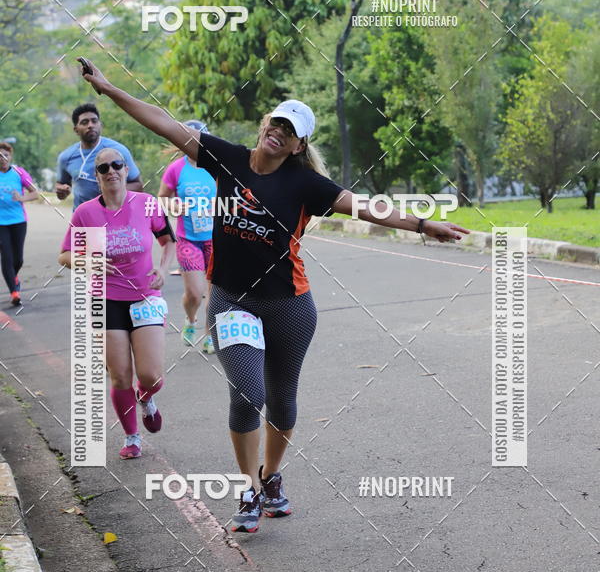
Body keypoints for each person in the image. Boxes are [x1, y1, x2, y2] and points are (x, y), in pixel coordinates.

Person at [78, 59, 468, 529]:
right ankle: (248, 489)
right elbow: (163, 121)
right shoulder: (227, 158)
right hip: (232, 299)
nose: (279, 132)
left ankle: (271, 475)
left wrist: (424, 224)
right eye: (276, 122)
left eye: (291, 130)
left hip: (290, 305)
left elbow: (366, 207)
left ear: (300, 144)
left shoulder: (305, 184)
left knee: (283, 400)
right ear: (265, 125)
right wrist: (109, 89)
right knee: (249, 392)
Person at [58, 147, 176, 459]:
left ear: (126, 170)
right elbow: (65, 255)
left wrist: (162, 270)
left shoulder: (146, 203)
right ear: (96, 177)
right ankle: (132, 437)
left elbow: (167, 242)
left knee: (150, 375)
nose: (111, 171)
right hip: (105, 298)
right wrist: (87, 260)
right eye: (103, 168)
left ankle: (146, 397)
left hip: (144, 295)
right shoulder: (86, 213)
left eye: (117, 165)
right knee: (120, 374)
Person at [158, 120, 216, 352]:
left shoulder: (217, 166)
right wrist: (174, 206)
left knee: (214, 292)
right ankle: (190, 321)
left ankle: (210, 334)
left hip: (216, 239)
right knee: (194, 293)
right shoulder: (176, 169)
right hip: (188, 239)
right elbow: (162, 197)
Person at [56, 103, 143, 210]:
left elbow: (138, 185)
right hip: (84, 219)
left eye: (94, 121)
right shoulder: (66, 157)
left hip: (114, 215)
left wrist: (111, 190)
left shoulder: (118, 151)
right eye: (84, 122)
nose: (90, 125)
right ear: (76, 130)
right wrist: (62, 192)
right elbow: (61, 187)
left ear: (100, 125)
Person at [0, 142, 38, 306]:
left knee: (18, 259)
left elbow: (35, 193)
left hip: (18, 221)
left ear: (10, 156)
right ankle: (14, 291)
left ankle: (13, 277)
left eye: (5, 155)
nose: (2, 159)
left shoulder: (18, 172)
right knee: (6, 257)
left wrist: (21, 198)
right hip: (1, 223)